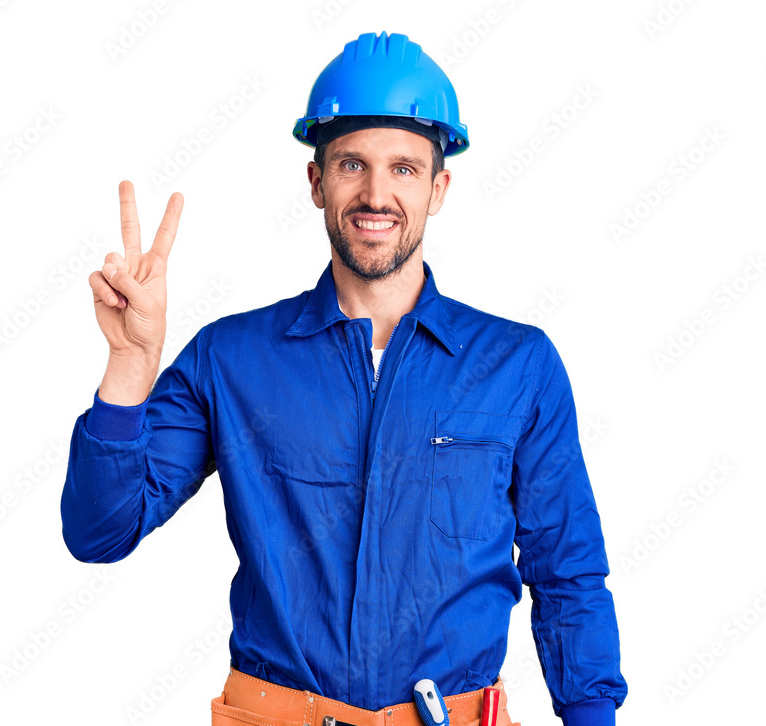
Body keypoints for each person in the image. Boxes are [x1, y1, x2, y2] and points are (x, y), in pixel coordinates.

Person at [61, 30, 628, 726]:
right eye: (352, 164)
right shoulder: (230, 360)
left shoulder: (517, 366)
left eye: (404, 168)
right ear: (316, 181)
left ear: (439, 187)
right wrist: (127, 370)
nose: (376, 193)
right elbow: (99, 531)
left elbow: (567, 573)